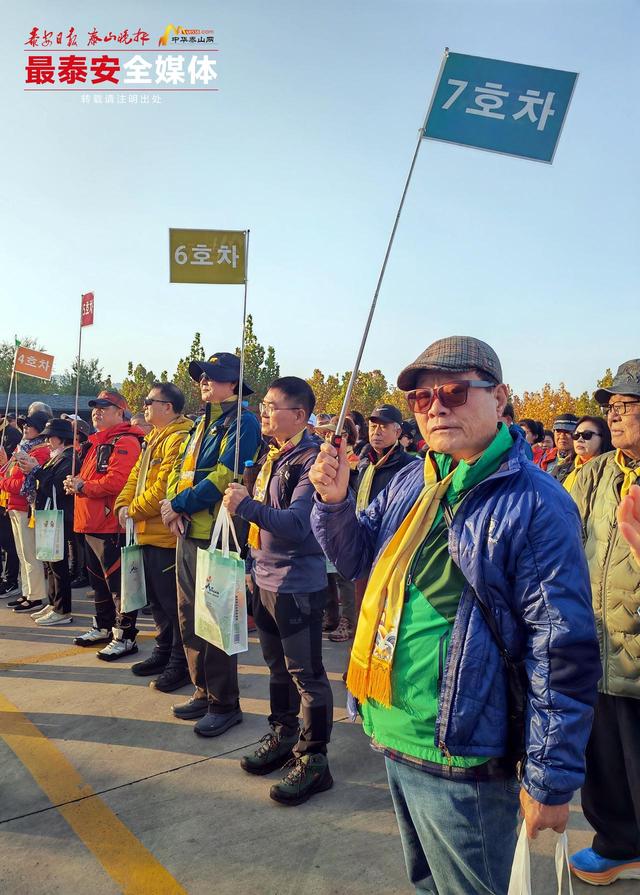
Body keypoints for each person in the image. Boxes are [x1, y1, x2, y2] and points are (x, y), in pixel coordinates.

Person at [310, 336, 600, 895]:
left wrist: (550, 778)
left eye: (454, 392)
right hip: (390, 726)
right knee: (426, 884)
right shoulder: (414, 480)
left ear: (500, 398)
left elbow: (560, 647)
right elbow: (356, 557)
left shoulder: (535, 502)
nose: (436, 407)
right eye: (422, 398)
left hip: (462, 749)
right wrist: (335, 502)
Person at [223, 376, 334, 806]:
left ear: (300, 415)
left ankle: (315, 759)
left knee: (306, 675)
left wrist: (245, 505)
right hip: (264, 577)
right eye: (264, 406)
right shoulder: (275, 454)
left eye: (272, 407)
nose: (264, 413)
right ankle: (284, 734)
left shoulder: (313, 461)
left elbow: (296, 525)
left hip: (296, 584)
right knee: (276, 668)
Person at [161, 352, 261, 736]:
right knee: (189, 617)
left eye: (213, 376)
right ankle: (202, 690)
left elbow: (223, 476)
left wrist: (180, 505)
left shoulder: (243, 422)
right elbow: (179, 469)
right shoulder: (203, 422)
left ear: (233, 384)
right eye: (202, 376)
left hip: (216, 533)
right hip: (187, 530)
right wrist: (172, 505)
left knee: (216, 621)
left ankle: (224, 702)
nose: (204, 381)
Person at [569, 360, 640, 886]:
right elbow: (562, 531)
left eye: (626, 405)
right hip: (598, 643)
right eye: (610, 407)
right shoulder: (596, 473)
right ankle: (618, 846)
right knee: (604, 759)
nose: (613, 416)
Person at [115, 382, 193, 692]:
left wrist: (132, 511)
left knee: (174, 606)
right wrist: (123, 504)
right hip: (147, 534)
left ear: (168, 407)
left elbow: (163, 487)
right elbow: (135, 477)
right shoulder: (153, 438)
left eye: (150, 401)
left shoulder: (179, 438)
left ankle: (180, 663)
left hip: (166, 538)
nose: (145, 405)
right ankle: (163, 652)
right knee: (158, 604)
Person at [65, 390, 144, 659]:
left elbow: (118, 482)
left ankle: (125, 636)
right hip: (91, 523)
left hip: (110, 526)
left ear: (120, 412)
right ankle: (103, 626)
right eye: (95, 408)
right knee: (98, 583)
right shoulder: (99, 442)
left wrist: (82, 486)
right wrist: (75, 484)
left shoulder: (125, 441)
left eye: (104, 407)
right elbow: (92, 480)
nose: (97, 412)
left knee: (119, 585)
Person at [17, 418, 76, 625]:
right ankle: (53, 603)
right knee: (50, 563)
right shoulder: (57, 457)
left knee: (58, 564)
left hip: (59, 516)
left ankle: (62, 609)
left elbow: (55, 486)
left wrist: (36, 469)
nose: (47, 442)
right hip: (50, 515)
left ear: (60, 438)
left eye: (50, 438)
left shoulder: (69, 458)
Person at [0, 411, 50, 612]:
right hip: (15, 506)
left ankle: (35, 595)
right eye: (24, 424)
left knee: (30, 554)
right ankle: (28, 592)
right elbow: (9, 474)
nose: (25, 427)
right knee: (22, 553)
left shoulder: (40, 451)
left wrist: (2, 482)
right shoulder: (23, 447)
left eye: (29, 424)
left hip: (26, 507)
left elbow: (22, 484)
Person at [0, 419, 22, 598]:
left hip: (6, 496)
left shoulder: (12, 434)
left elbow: (9, 466)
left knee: (9, 542)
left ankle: (11, 580)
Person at [563, 416, 612, 494]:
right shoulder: (561, 469)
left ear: (603, 438)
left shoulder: (610, 471)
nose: (580, 440)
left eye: (587, 435)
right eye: (576, 435)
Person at [546, 413, 578, 483]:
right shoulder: (544, 458)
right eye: (558, 431)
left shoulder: (581, 462)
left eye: (567, 432)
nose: (562, 436)